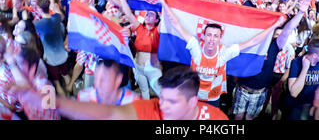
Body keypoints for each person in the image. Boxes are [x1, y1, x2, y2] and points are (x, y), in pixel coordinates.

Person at [158, 0, 286, 108]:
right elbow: (176, 24)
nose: (211, 39)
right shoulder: (195, 47)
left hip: (213, 98)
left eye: (215, 36)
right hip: (193, 95)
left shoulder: (224, 52)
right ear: (204, 36)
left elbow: (253, 41)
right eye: (209, 35)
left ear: (220, 39)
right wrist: (163, 1)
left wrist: (274, 25)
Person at [14, 66, 228, 120]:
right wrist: (54, 103)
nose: (163, 105)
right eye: (162, 98)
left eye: (172, 102)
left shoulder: (218, 119)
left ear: (192, 103)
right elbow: (108, 113)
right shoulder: (150, 108)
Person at [232, 0, 311, 120]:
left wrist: (301, 12)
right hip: (242, 88)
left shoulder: (275, 45)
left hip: (259, 92)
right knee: (238, 116)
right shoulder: (252, 41)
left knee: (249, 118)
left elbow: (288, 29)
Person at [117, 0, 162, 99]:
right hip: (137, 66)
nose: (148, 16)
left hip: (152, 68)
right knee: (144, 91)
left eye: (152, 15)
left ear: (156, 20)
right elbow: (128, 13)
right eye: (147, 14)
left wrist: (164, 2)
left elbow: (165, 18)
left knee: (160, 93)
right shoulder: (140, 28)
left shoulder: (157, 31)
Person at [282, 38, 319, 120]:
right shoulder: (297, 63)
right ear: (315, 55)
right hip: (295, 107)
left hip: (312, 107)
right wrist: (305, 68)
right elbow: (294, 93)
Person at [34, 0, 70, 96]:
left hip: (50, 59)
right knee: (66, 76)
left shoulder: (37, 25)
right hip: (63, 55)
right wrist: (56, 7)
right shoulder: (57, 17)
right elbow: (62, 16)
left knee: (57, 83)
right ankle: (72, 96)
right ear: (48, 7)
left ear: (39, 9)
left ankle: (65, 106)